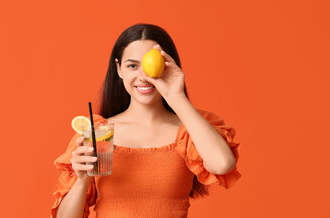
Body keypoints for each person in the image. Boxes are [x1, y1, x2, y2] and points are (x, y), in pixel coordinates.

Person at [51, 23, 241, 218]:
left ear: (169, 65)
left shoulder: (189, 131)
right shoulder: (97, 133)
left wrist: (175, 95)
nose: (143, 76)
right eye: (132, 66)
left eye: (151, 64)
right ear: (119, 69)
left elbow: (223, 164)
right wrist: (82, 180)